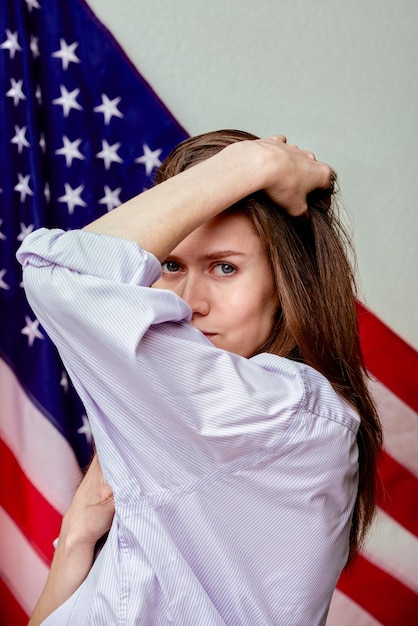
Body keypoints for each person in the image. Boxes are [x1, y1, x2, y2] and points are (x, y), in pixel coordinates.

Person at [18, 130, 382, 625]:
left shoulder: (276, 414)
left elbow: (62, 273)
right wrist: (77, 540)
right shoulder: (175, 429)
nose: (190, 302)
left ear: (287, 285)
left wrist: (253, 163)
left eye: (225, 268)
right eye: (171, 265)